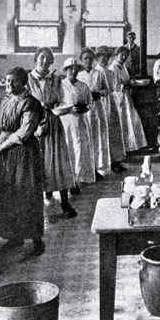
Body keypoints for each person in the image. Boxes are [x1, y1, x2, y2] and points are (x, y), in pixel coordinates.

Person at [0, 67, 45, 255]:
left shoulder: (31, 104)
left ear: (23, 82)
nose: (9, 84)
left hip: (24, 156)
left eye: (13, 81)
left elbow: (23, 133)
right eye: (7, 81)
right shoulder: (5, 102)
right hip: (4, 156)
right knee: (8, 195)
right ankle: (15, 237)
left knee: (25, 194)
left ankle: (36, 240)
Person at [27, 47, 77, 218]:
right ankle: (35, 206)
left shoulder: (56, 79)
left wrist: (57, 106)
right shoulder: (29, 79)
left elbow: (61, 99)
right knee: (37, 162)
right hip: (34, 124)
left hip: (53, 122)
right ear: (36, 59)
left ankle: (64, 202)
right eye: (41, 57)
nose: (45, 61)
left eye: (48, 58)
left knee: (58, 160)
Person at [59, 58, 95, 187]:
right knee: (70, 150)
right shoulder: (61, 86)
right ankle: (70, 181)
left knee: (81, 149)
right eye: (70, 69)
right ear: (66, 70)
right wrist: (69, 108)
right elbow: (58, 104)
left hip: (81, 121)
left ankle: (80, 178)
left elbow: (90, 101)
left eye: (75, 69)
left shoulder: (83, 86)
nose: (73, 71)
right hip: (67, 121)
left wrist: (86, 107)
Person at [77, 47, 111, 176]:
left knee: (97, 137)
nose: (88, 61)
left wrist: (100, 93)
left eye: (90, 58)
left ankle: (96, 168)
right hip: (85, 109)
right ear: (81, 60)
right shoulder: (79, 75)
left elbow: (107, 90)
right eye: (85, 58)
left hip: (98, 107)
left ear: (94, 59)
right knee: (87, 137)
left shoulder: (99, 73)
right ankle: (86, 169)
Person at [109, 46, 148, 152]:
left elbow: (126, 78)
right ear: (117, 55)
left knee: (132, 120)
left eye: (126, 55)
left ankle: (131, 147)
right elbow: (115, 86)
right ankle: (124, 149)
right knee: (123, 122)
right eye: (122, 55)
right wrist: (128, 84)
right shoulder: (113, 68)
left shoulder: (123, 66)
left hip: (126, 96)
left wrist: (132, 81)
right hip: (119, 97)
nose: (124, 57)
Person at [98, 47, 127, 172]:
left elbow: (115, 87)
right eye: (102, 56)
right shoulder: (95, 72)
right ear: (97, 58)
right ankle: (102, 164)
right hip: (100, 104)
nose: (105, 58)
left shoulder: (110, 72)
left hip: (111, 102)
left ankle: (115, 161)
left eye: (106, 56)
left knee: (114, 132)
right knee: (102, 133)